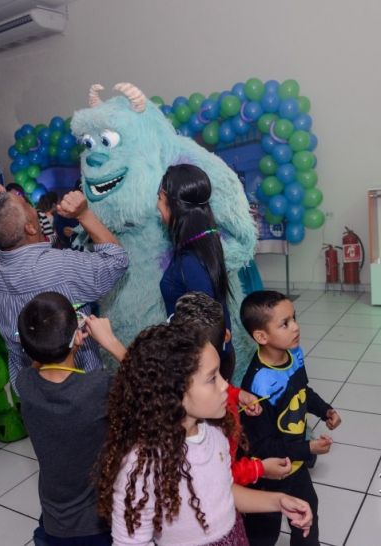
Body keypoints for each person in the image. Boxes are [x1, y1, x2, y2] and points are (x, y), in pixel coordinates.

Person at [95, 322, 313, 544]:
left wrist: (278, 501)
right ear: (173, 391)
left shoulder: (215, 433)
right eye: (212, 378)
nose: (225, 386)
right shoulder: (142, 466)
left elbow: (225, 493)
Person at [0, 184, 128, 392]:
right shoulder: (59, 266)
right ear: (30, 228)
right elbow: (117, 260)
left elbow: (12, 239)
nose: (33, 206)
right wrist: (84, 214)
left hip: (31, 392)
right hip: (79, 391)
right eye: (27, 204)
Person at [238, 290, 341, 546]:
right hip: (269, 473)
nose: (296, 327)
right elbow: (262, 447)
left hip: (295, 464)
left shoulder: (294, 353)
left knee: (307, 511)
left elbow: (302, 390)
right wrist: (307, 448)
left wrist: (324, 409)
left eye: (294, 318)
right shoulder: (259, 386)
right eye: (285, 323)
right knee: (265, 529)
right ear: (261, 336)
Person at [17, 292, 113, 545]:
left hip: (54, 518)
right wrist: (110, 341)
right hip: (98, 521)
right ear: (77, 336)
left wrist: (54, 341)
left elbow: (36, 363)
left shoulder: (24, 383)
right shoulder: (98, 386)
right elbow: (149, 386)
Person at [171, 291, 293, 486]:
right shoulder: (208, 427)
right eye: (212, 378)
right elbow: (222, 473)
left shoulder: (201, 387)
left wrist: (238, 395)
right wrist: (260, 468)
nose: (225, 385)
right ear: (226, 336)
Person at [158, 164, 235, 380]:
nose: (157, 206)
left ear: (171, 203)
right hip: (210, 357)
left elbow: (207, 322)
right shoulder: (204, 241)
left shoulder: (191, 259)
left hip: (200, 365)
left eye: (159, 199)